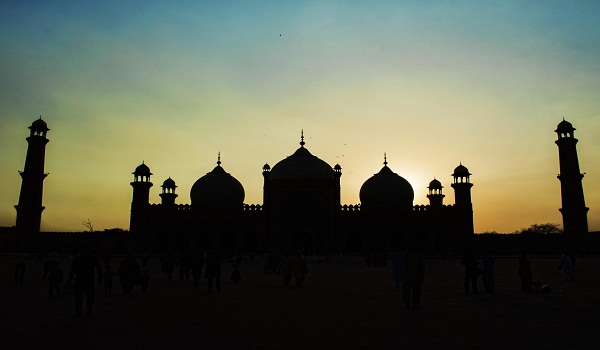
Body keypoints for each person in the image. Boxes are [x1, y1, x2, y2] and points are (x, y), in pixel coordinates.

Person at [66, 246, 103, 316]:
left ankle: (79, 310)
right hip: (89, 279)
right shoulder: (92, 258)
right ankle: (88, 308)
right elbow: (99, 269)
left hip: (80, 279)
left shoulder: (78, 259)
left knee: (79, 296)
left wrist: (68, 282)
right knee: (90, 295)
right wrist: (100, 278)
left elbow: (72, 271)